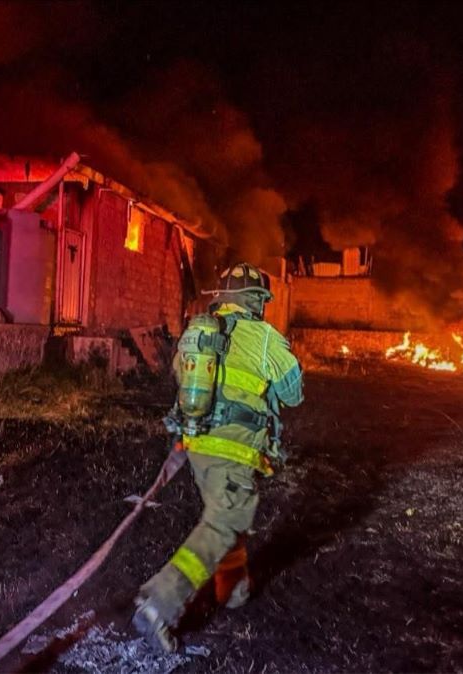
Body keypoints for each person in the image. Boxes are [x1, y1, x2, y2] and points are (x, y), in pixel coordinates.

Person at [133, 262, 305, 652]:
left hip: (198, 448)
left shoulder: (199, 332)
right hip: (234, 451)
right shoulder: (264, 337)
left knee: (229, 514)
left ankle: (234, 590)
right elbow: (295, 393)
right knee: (223, 524)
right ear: (256, 301)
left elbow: (181, 376)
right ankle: (160, 603)